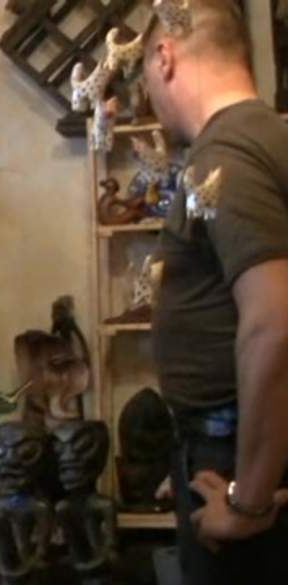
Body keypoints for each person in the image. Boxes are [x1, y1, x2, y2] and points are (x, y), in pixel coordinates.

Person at [145, 1, 288, 583]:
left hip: (231, 452)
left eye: (144, 81)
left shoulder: (226, 152)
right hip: (227, 444)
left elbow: (274, 322)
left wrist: (247, 499)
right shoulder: (267, 134)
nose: (149, 101)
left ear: (165, 56)